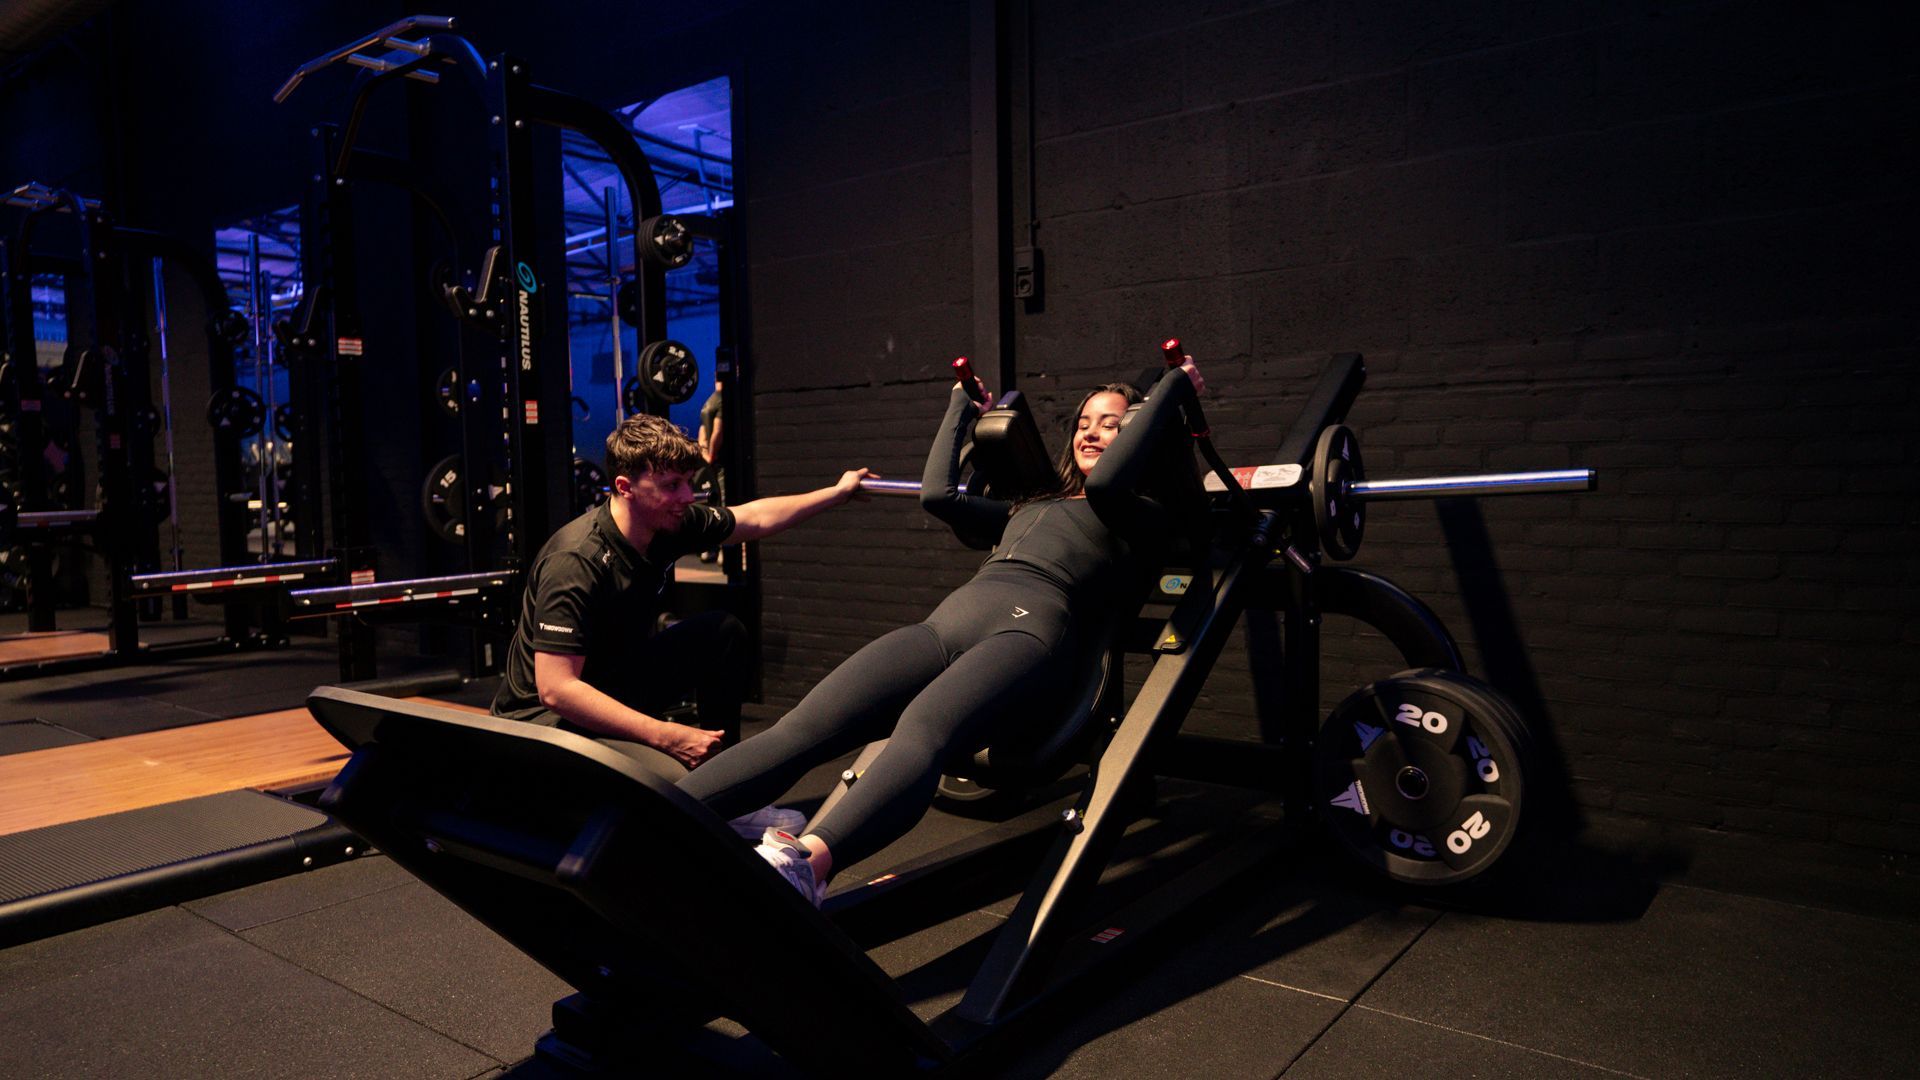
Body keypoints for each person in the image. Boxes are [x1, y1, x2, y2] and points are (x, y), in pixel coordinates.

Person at [677, 356, 1206, 903]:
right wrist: (962, 407)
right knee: (803, 727)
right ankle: (654, 811)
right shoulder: (1034, 503)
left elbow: (1112, 482)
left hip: (1029, 637)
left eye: (1113, 423)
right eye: (1085, 422)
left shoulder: (1140, 511)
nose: (1092, 433)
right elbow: (938, 496)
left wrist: (1172, 389)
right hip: (947, 623)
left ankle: (806, 866)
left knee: (920, 732)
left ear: (1141, 431)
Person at [492, 412, 874, 835]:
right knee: (677, 791)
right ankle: (712, 799)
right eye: (672, 486)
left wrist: (836, 493)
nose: (688, 496)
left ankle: (728, 785)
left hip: (609, 683)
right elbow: (556, 689)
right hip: (541, 725)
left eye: (688, 482)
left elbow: (754, 518)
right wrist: (667, 735)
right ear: (625, 488)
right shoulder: (577, 561)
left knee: (721, 633)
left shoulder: (668, 524)